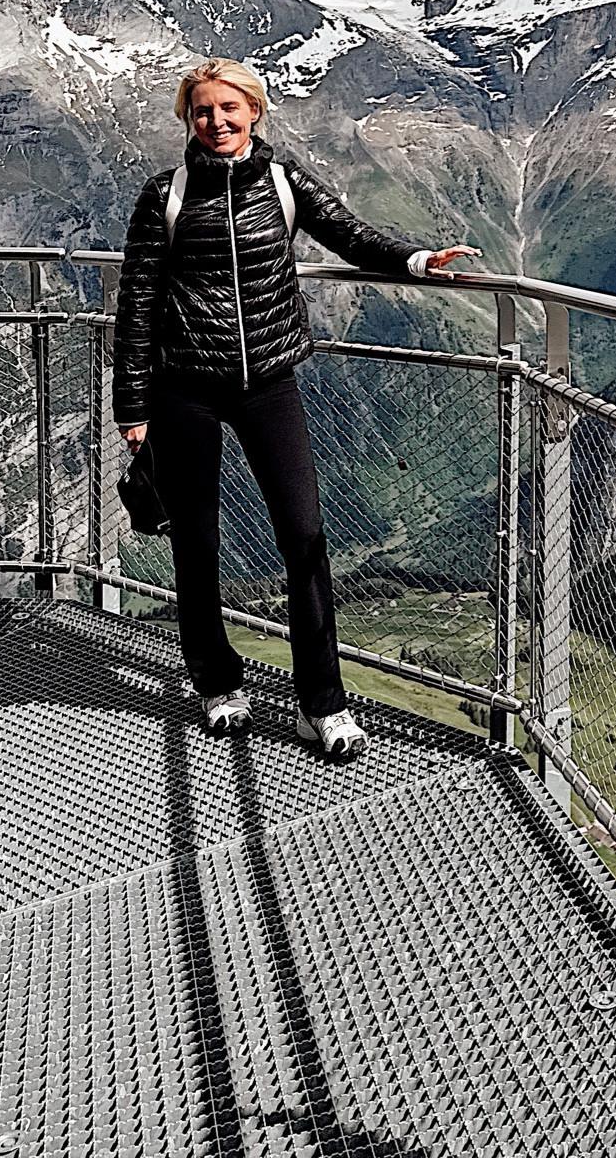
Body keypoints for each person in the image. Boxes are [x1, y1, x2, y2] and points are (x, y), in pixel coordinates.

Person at [112, 57, 479, 754]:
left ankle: (321, 702)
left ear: (255, 112)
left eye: (229, 109)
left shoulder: (283, 182)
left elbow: (350, 233)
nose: (216, 122)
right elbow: (135, 304)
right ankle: (218, 684)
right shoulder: (164, 194)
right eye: (202, 111)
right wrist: (131, 407)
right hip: (181, 388)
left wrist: (418, 259)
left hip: (269, 383)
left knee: (305, 537)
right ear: (187, 119)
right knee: (197, 543)